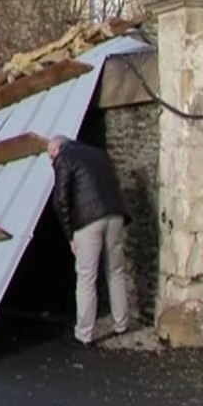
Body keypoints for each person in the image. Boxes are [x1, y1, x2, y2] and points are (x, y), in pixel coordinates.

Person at [47, 134, 131, 346]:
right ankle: (122, 324)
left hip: (88, 221)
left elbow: (62, 199)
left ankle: (84, 333)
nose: (51, 161)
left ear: (57, 149)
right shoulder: (98, 154)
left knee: (86, 277)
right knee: (116, 271)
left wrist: (69, 236)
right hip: (115, 215)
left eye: (50, 157)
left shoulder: (64, 158)